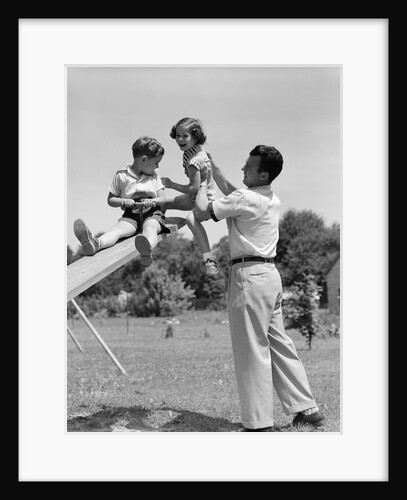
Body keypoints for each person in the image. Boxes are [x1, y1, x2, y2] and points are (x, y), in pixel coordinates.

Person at [194, 145, 325, 431]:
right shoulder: (269, 198)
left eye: (249, 167)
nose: (243, 169)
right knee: (279, 343)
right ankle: (306, 408)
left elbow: (203, 212)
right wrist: (213, 165)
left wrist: (203, 180)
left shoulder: (244, 199)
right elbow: (234, 194)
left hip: (249, 276)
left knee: (251, 349)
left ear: (263, 173)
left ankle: (258, 423)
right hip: (270, 276)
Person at [73, 136, 170, 266]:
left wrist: (153, 202)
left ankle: (147, 249)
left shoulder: (154, 177)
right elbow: (111, 200)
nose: (157, 167)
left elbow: (163, 199)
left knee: (150, 228)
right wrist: (124, 201)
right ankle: (95, 244)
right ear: (144, 159)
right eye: (156, 162)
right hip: (131, 215)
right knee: (117, 230)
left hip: (152, 214)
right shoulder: (121, 175)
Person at [143, 117, 219, 275]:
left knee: (191, 219)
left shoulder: (193, 161)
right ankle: (152, 229)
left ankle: (209, 260)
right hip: (194, 196)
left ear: (195, 136)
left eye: (185, 136)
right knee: (161, 203)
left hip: (205, 198)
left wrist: (172, 184)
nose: (180, 139)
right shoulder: (194, 150)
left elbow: (193, 188)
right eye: (178, 135)